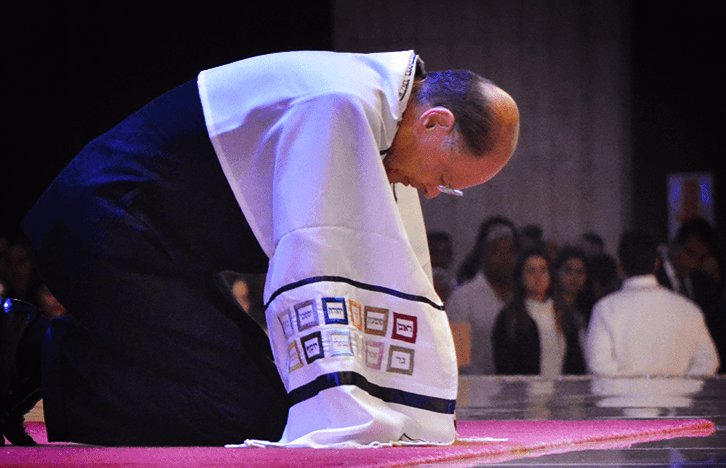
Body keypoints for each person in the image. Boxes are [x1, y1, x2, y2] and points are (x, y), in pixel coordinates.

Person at [4, 50, 519, 446]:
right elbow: (312, 259)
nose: (432, 192)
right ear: (435, 123)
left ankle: (42, 353)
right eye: (447, 179)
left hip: (153, 246)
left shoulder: (373, 106)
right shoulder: (341, 105)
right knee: (248, 409)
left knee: (270, 403)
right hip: (105, 228)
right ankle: (27, 344)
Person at [585, 231, 719, 377]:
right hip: (675, 399)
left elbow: (598, 365)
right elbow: (708, 363)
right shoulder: (688, 309)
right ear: (656, 264)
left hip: (623, 400)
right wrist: (680, 388)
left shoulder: (604, 309)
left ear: (620, 266)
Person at [492, 246, 585, 376]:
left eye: (543, 270)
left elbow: (576, 363)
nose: (538, 277)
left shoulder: (562, 314)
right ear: (521, 277)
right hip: (523, 394)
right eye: (531, 271)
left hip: (561, 393)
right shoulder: (510, 317)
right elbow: (504, 367)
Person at [446, 216, 521, 374]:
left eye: (509, 251)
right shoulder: (463, 298)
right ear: (483, 254)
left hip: (520, 391)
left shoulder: (523, 296)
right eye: (496, 251)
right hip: (477, 392)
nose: (504, 258)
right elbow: (458, 359)